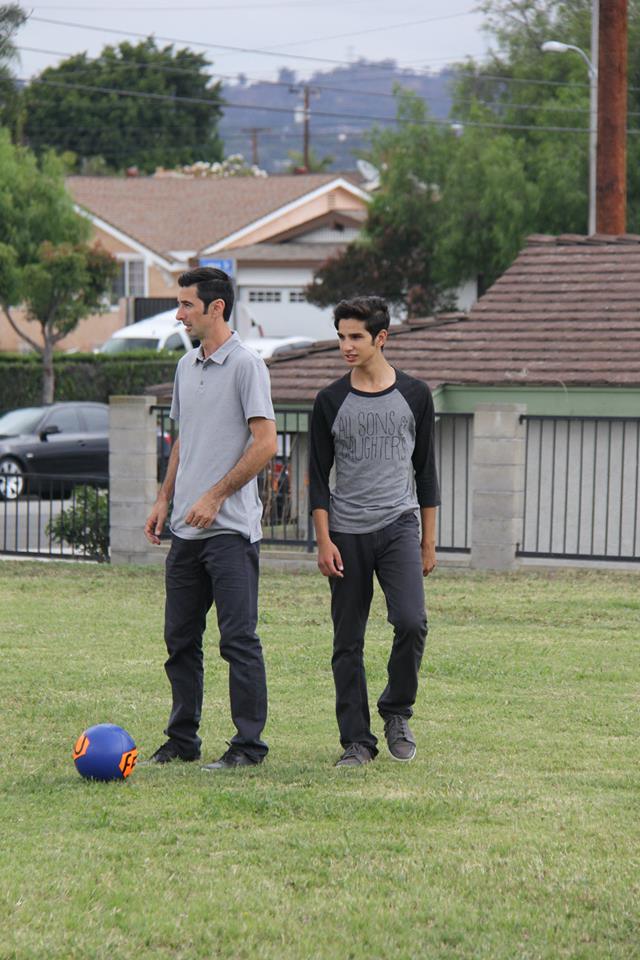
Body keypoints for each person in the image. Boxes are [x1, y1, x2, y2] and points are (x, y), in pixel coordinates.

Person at [144, 267, 277, 770]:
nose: (179, 315)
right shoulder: (186, 366)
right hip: (185, 531)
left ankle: (248, 747)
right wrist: (164, 499)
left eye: (186, 305)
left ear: (216, 308)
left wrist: (216, 496)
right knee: (179, 640)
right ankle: (182, 740)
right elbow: (186, 440)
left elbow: (265, 443)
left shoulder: (247, 365)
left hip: (230, 533)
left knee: (238, 641)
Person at [309, 296, 440, 767]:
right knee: (348, 641)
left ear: (381, 338)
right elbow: (317, 478)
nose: (346, 345)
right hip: (346, 533)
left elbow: (426, 470)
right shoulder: (329, 401)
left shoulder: (415, 395)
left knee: (411, 621)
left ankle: (397, 711)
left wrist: (428, 540)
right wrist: (324, 540)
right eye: (341, 336)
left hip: (399, 525)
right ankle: (357, 742)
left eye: (356, 336)